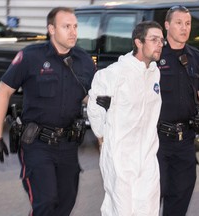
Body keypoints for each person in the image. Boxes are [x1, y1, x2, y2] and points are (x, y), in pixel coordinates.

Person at [0, 7, 95, 216]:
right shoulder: (30, 57)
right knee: (45, 201)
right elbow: (3, 92)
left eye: (75, 27)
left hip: (68, 144)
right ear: (51, 29)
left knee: (66, 202)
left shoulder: (84, 61)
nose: (73, 32)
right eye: (66, 27)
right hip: (36, 144)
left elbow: (89, 97)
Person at [87, 21, 164, 216]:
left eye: (161, 40)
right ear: (138, 42)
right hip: (120, 158)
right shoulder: (114, 74)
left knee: (148, 210)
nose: (160, 44)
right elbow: (94, 106)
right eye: (154, 39)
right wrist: (102, 137)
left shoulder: (155, 73)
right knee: (121, 210)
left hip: (147, 157)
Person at [156, 5, 199, 216]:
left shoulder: (195, 56)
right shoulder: (154, 55)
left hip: (185, 140)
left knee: (181, 194)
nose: (184, 28)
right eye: (179, 23)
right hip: (156, 141)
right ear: (167, 25)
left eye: (188, 24)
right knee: (151, 196)